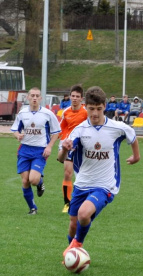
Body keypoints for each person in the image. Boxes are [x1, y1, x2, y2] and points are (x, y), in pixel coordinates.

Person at [60, 86, 140, 256]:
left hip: (105, 186)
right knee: (73, 223)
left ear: (104, 106)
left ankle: (75, 247)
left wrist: (136, 157)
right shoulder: (80, 130)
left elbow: (132, 136)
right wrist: (65, 149)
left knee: (83, 214)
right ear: (85, 107)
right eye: (91, 109)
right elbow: (61, 159)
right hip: (82, 183)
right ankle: (73, 255)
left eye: (98, 109)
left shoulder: (117, 127)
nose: (95, 113)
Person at [11, 87, 61, 215]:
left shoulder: (48, 114)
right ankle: (32, 208)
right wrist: (18, 135)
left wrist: (49, 146)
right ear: (27, 97)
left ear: (40, 98)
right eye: (32, 95)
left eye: (37, 96)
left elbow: (56, 132)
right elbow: (15, 130)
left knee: (33, 180)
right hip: (24, 150)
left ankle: (40, 182)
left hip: (40, 151)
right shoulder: (22, 113)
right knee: (25, 180)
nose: (34, 98)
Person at [57, 84, 88, 213]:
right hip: (69, 146)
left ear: (82, 98)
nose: (74, 98)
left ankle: (85, 201)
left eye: (77, 96)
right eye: (72, 96)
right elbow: (61, 127)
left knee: (82, 176)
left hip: (83, 147)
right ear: (70, 97)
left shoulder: (86, 112)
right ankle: (67, 203)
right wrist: (63, 139)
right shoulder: (66, 112)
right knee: (67, 173)